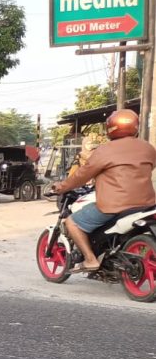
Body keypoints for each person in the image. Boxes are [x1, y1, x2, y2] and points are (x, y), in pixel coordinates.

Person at [50, 109, 156, 273]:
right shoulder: (148, 148)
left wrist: (61, 187)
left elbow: (81, 175)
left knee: (72, 222)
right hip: (146, 205)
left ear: (111, 128)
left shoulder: (105, 150)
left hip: (114, 206)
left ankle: (91, 260)